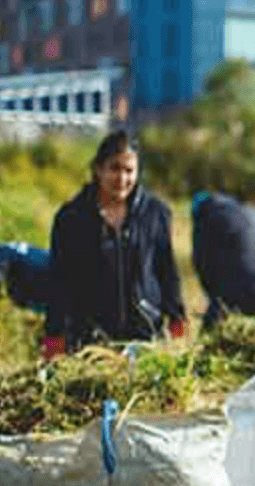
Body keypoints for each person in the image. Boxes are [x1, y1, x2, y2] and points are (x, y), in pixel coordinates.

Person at [43, 131, 186, 359]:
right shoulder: (71, 218)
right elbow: (58, 280)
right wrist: (54, 336)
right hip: (89, 341)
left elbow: (167, 270)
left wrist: (177, 319)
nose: (122, 179)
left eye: (129, 171)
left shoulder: (155, 213)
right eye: (114, 168)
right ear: (98, 169)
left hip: (145, 338)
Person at [190, 190, 255, 329]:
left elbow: (202, 265)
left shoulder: (205, 220)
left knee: (211, 333)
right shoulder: (252, 212)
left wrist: (214, 301)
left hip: (242, 294)